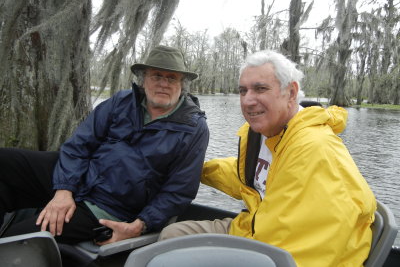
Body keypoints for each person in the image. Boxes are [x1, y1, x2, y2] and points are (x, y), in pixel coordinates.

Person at [159, 49, 376, 267]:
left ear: (291, 92)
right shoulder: (265, 134)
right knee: (172, 237)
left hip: (276, 251)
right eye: (243, 91)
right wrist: (195, 169)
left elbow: (308, 250)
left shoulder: (314, 150)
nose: (248, 100)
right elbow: (246, 177)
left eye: (260, 89)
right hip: (253, 229)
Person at [0, 45, 209, 245]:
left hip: (110, 207)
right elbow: (79, 145)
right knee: (5, 161)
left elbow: (178, 192)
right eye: (157, 76)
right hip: (83, 176)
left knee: (20, 239)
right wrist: (64, 190)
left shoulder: (194, 128)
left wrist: (140, 225)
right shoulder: (122, 101)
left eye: (171, 78)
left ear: (182, 85)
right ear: (143, 80)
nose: (163, 83)